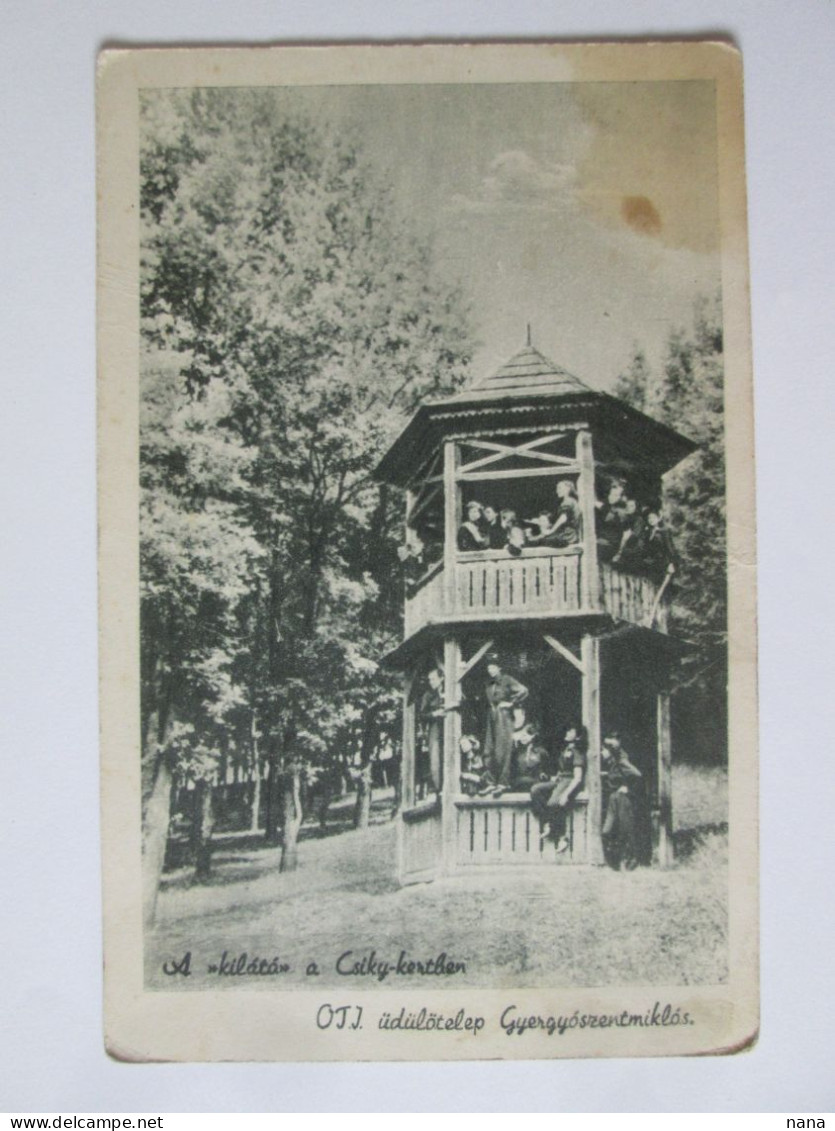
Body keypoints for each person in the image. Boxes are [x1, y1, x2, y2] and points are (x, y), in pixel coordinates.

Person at [529, 725, 587, 853]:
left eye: (570, 730)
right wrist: (555, 777)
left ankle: (562, 837)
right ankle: (548, 823)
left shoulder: (578, 751)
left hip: (570, 781)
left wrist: (566, 794)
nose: (566, 732)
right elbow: (563, 769)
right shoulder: (567, 748)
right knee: (535, 790)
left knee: (554, 803)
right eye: (567, 729)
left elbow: (577, 777)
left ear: (577, 736)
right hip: (560, 780)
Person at [482, 654, 528, 796]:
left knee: (503, 751)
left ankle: (503, 783)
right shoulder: (489, 684)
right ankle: (491, 782)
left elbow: (523, 691)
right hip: (492, 716)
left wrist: (511, 703)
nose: (491, 670)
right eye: (489, 667)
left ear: (499, 667)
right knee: (489, 750)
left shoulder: (507, 680)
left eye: (493, 667)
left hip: (504, 718)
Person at [600, 732, 645, 870]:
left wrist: (628, 789)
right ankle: (615, 862)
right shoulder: (613, 762)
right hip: (613, 798)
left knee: (626, 830)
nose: (602, 753)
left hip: (623, 799)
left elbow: (638, 775)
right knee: (607, 831)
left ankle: (632, 859)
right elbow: (615, 775)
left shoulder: (621, 760)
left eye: (603, 749)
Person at [527, 480, 581, 548]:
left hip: (567, 535)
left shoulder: (568, 502)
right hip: (570, 535)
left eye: (559, 488)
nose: (557, 491)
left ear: (568, 489)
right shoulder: (572, 501)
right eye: (557, 488)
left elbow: (563, 518)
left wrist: (551, 531)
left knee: (542, 541)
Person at [417, 667, 445, 794]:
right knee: (435, 758)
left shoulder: (449, 691)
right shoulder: (428, 695)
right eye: (429, 680)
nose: (431, 682)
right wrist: (435, 714)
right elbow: (421, 715)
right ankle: (438, 789)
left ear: (442, 678)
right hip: (435, 728)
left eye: (433, 679)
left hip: (449, 728)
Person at [510, 722, 548, 792]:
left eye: (526, 735)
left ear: (533, 736)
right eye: (522, 735)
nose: (523, 737)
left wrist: (542, 773)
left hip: (535, 785)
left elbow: (546, 770)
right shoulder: (516, 751)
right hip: (517, 785)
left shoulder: (541, 752)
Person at [595, 479, 627, 562]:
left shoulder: (621, 509)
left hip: (610, 542)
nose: (613, 497)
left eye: (617, 495)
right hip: (601, 539)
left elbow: (609, 516)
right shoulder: (607, 504)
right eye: (612, 494)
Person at [643, 508, 678, 583]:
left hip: (663, 562)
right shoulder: (648, 532)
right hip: (652, 562)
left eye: (653, 517)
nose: (651, 520)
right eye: (649, 518)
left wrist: (671, 563)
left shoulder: (664, 531)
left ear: (659, 518)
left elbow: (669, 547)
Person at [612, 496, 645, 570]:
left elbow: (635, 535)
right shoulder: (627, 517)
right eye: (627, 506)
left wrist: (623, 547)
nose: (628, 507)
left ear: (636, 507)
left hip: (636, 543)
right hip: (626, 541)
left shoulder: (639, 519)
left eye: (631, 506)